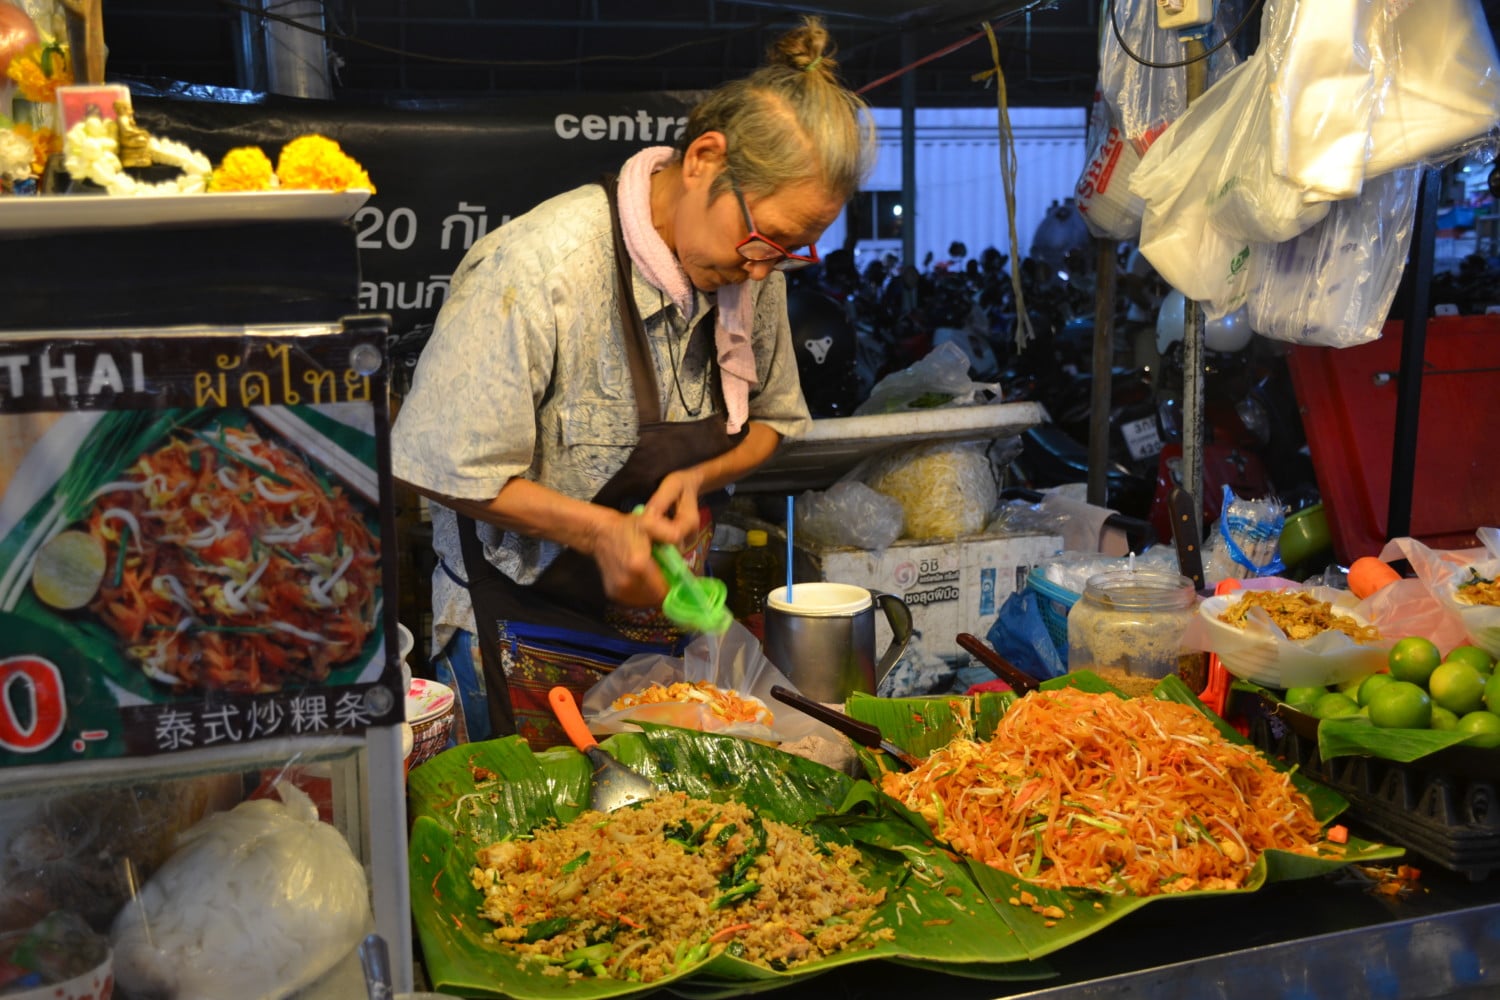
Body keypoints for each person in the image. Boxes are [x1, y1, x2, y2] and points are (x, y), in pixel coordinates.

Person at [391, 17, 874, 748]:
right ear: (707, 158)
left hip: (666, 638)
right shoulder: (540, 269)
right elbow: (438, 465)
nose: (763, 268)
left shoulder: (751, 270)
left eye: (788, 252)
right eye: (762, 239)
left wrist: (700, 476)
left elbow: (776, 419)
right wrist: (600, 532)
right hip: (524, 632)